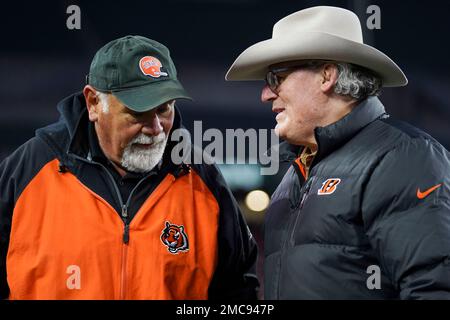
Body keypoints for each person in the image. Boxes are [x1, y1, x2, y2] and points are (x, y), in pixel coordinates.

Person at [0, 35, 258, 299]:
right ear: (93, 104)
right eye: (138, 112)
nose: (156, 128)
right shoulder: (28, 172)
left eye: (164, 109)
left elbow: (239, 292)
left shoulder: (204, 180)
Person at [226, 6, 450, 299]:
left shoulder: (405, 157)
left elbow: (435, 289)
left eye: (275, 78)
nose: (266, 94)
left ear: (326, 76)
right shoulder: (293, 176)